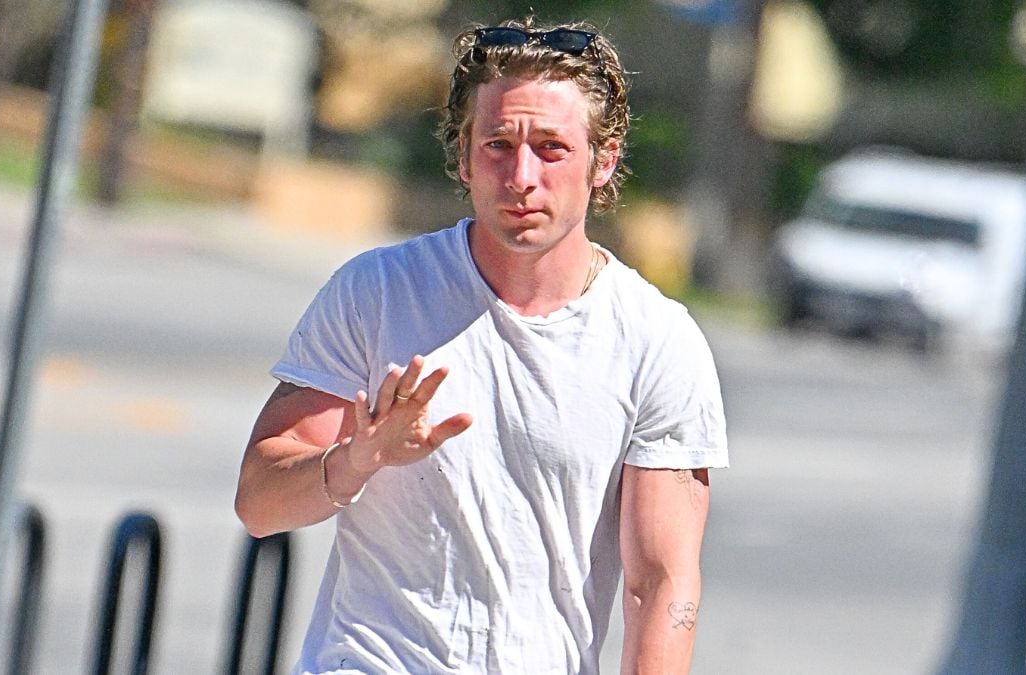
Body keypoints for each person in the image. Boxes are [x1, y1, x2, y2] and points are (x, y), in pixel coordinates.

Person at [235, 16, 729, 674]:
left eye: (551, 148)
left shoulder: (657, 341)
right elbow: (258, 501)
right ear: (464, 158)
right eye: (498, 144)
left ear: (602, 160)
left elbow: (662, 583)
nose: (521, 175)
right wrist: (357, 458)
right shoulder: (378, 291)